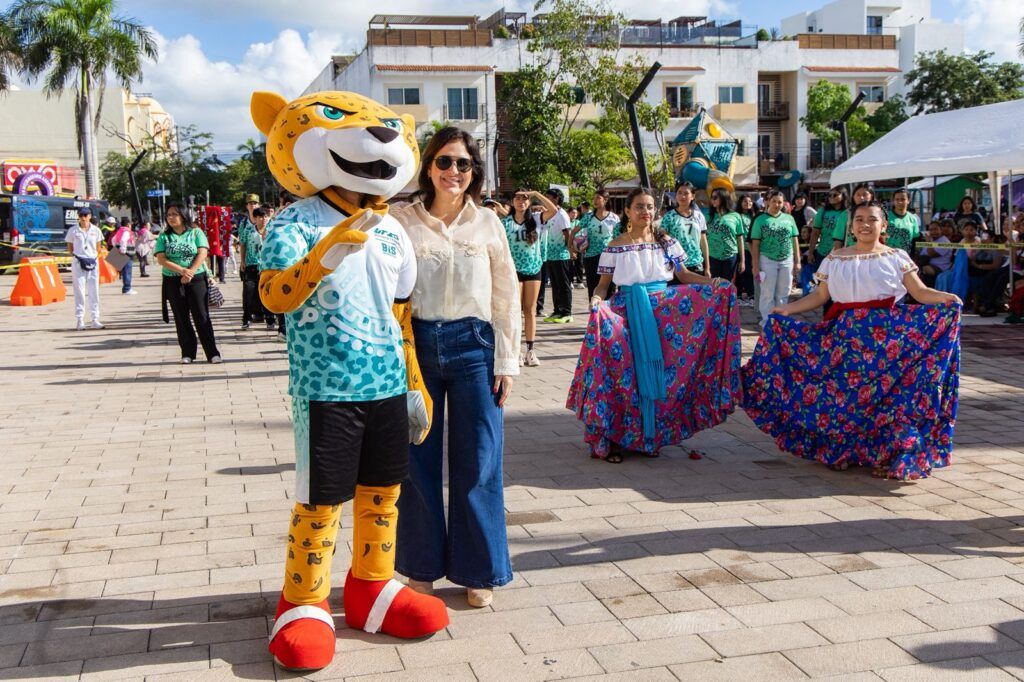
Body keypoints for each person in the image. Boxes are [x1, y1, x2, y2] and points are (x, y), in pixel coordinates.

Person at [393, 126, 520, 609]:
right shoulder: (402, 220)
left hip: (474, 346)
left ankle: (478, 570)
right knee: (417, 463)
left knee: (479, 461)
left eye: (463, 164)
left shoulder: (488, 223)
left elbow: (505, 294)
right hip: (418, 346)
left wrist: (507, 360)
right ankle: (421, 567)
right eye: (445, 162)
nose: (454, 172)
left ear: (474, 173)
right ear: (428, 166)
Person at [742, 201, 962, 480]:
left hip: (889, 345)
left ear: (884, 226)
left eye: (872, 219)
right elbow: (820, 297)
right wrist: (788, 309)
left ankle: (886, 453)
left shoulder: (897, 256)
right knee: (845, 398)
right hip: (846, 340)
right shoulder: (835, 258)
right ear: (851, 225)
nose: (865, 224)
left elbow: (919, 292)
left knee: (888, 401)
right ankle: (844, 451)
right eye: (859, 219)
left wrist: (946, 299)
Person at [567, 187, 741, 462]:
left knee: (663, 375)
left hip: (664, 314)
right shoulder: (615, 246)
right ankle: (616, 439)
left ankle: (650, 436)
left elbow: (683, 276)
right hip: (626, 313)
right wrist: (596, 303)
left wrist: (714, 283)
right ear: (627, 211)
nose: (645, 212)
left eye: (649, 207)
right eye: (639, 207)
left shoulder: (667, 242)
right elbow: (602, 287)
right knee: (624, 375)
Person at [154, 203, 221, 364]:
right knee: (181, 317)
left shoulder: (196, 232)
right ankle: (188, 352)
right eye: (168, 215)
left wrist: (190, 271)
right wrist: (181, 271)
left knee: (201, 315)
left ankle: (212, 352)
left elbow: (203, 252)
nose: (171, 217)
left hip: (196, 279)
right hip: (173, 280)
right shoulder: (165, 236)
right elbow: (161, 258)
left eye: (174, 214)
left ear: (183, 215)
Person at [503, 190, 545, 367]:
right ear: (512, 202)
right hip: (513, 270)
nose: (521, 201)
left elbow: (554, 210)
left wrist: (536, 193)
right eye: (518, 198)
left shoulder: (535, 220)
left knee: (530, 310)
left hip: (533, 269)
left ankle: (530, 350)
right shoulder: (505, 223)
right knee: (515, 310)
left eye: (525, 198)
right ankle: (516, 350)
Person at [750, 190, 801, 327]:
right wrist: (755, 265)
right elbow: (755, 244)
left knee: (784, 292)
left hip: (787, 259)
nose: (777, 204)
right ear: (767, 202)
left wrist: (798, 261)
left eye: (780, 202)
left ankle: (781, 320)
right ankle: (767, 321)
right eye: (774, 201)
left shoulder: (789, 219)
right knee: (767, 292)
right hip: (767, 260)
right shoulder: (760, 220)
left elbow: (794, 239)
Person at [571, 188, 620, 298]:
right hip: (591, 257)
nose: (595, 200)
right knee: (593, 289)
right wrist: (572, 249)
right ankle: (594, 313)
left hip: (609, 257)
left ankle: (609, 314)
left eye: (598, 198)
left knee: (610, 289)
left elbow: (618, 239)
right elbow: (573, 232)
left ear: (606, 200)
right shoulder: (588, 217)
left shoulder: (614, 218)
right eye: (594, 198)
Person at [65, 207, 104, 330]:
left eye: (86, 215)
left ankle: (95, 319)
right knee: (79, 291)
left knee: (94, 291)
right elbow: (70, 248)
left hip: (93, 262)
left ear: (90, 216)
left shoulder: (96, 230)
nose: (83, 217)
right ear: (78, 216)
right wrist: (79, 256)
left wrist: (91, 257)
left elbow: (98, 247)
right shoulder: (73, 230)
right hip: (78, 262)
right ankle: (80, 319)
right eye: (81, 215)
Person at [660, 181, 709, 278]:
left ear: (692, 196)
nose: (682, 196)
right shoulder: (669, 216)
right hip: (677, 267)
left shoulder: (699, 216)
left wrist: (707, 267)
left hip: (697, 265)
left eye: (686, 193)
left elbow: (703, 242)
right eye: (679, 193)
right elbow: (662, 240)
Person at [540, 188, 574, 323]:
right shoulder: (548, 214)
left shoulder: (562, 214)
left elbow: (568, 234)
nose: (545, 200)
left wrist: (571, 250)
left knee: (563, 284)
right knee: (555, 284)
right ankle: (557, 311)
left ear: (556, 199)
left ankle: (567, 312)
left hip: (562, 255)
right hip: (550, 255)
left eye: (548, 198)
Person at [240, 206, 274, 331]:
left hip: (267, 266)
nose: (263, 219)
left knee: (267, 293)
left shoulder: (271, 230)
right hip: (251, 265)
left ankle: (270, 319)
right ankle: (246, 318)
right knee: (248, 293)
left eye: (265, 216)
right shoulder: (248, 230)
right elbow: (243, 244)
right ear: (255, 218)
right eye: (260, 217)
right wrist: (242, 260)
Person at [706, 188, 746, 281]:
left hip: (730, 257)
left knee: (727, 285)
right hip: (712, 257)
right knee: (714, 285)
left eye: (715, 197)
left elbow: (740, 239)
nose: (713, 200)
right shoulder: (707, 216)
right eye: (711, 197)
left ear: (723, 198)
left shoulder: (735, 216)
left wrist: (742, 261)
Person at [735, 193, 757, 305]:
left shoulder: (753, 215)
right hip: (741, 247)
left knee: (747, 272)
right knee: (743, 271)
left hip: (752, 247)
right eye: (745, 201)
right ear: (740, 203)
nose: (747, 203)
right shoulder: (737, 215)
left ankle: (747, 294)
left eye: (749, 201)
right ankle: (745, 295)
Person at [918, 220, 953, 287]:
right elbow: (922, 255)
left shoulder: (945, 241)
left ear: (941, 230)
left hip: (941, 268)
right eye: (931, 230)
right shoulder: (931, 240)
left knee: (925, 269)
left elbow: (931, 254)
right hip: (928, 265)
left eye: (935, 229)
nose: (933, 232)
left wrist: (928, 242)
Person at [886, 188, 920, 255]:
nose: (900, 202)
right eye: (897, 199)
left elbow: (915, 240)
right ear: (893, 201)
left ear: (908, 201)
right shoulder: (885, 216)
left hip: (905, 257)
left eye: (903, 199)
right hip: (888, 256)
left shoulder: (913, 218)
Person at [112, 217, 138, 295]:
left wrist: (117, 248)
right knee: (127, 271)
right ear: (128, 224)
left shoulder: (120, 230)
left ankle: (125, 288)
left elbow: (113, 240)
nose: (131, 225)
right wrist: (123, 250)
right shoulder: (127, 231)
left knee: (124, 271)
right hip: (127, 253)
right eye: (130, 224)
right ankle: (127, 289)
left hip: (121, 252)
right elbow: (123, 240)